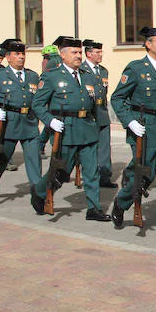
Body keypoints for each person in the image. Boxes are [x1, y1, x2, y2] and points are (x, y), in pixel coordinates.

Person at [110, 27, 156, 236]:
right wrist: (130, 122)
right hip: (145, 128)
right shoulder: (136, 68)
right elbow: (117, 98)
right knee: (144, 174)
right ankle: (121, 202)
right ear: (148, 44)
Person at [30, 36, 111, 222]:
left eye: (80, 53)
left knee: (92, 171)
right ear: (63, 55)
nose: (78, 56)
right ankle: (40, 191)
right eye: (74, 53)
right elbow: (38, 104)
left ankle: (94, 209)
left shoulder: (89, 76)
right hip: (65, 130)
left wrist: (99, 126)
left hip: (87, 129)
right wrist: (50, 121)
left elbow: (97, 104)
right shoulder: (52, 76)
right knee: (61, 171)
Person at [0, 39, 42, 201]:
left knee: (34, 159)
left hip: (29, 122)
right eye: (17, 54)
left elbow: (40, 98)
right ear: (8, 57)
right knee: (1, 158)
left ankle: (37, 192)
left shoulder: (33, 76)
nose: (21, 57)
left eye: (23, 54)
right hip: (8, 123)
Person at [80, 39, 115, 188]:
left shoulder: (103, 71)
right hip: (89, 114)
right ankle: (90, 175)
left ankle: (105, 177)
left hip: (102, 112)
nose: (101, 54)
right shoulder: (81, 70)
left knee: (105, 147)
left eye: (101, 52)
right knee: (89, 148)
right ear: (88, 53)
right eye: (97, 52)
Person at [38, 45, 61, 158]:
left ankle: (40, 145)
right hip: (58, 96)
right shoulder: (60, 60)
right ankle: (40, 145)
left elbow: (45, 76)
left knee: (50, 122)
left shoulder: (50, 62)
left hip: (51, 97)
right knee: (50, 123)